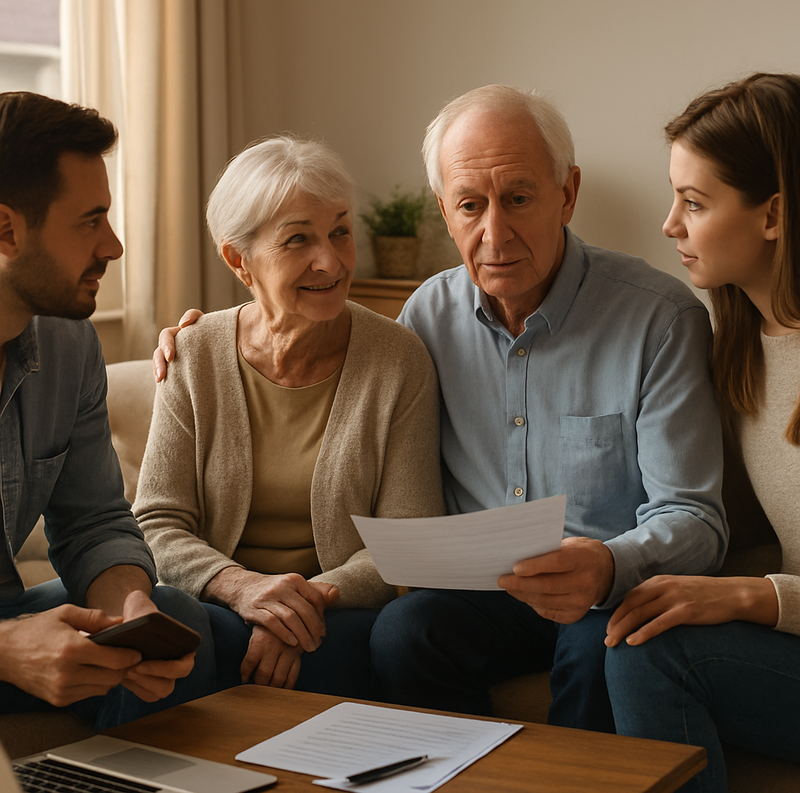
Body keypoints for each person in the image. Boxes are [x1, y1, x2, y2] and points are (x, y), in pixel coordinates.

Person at [156, 86, 727, 731]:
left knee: (603, 648)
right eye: (470, 205)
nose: (495, 233)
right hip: (481, 595)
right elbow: (316, 335)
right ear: (444, 213)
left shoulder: (660, 318)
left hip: (603, 588)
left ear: (566, 194)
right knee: (405, 631)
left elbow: (695, 516)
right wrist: (201, 336)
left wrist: (610, 565)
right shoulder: (427, 317)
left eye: (518, 198)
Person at [134, 136, 443, 698]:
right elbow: (155, 522)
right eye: (298, 239)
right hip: (216, 604)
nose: (330, 260)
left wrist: (298, 606)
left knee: (297, 654)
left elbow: (407, 541)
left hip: (335, 613)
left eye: (340, 232)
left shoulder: (398, 359)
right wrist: (241, 588)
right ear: (238, 259)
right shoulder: (194, 353)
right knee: (167, 621)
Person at [604, 72, 800, 791]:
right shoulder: (737, 349)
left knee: (656, 653)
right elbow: (744, 535)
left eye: (694, 202)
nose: (669, 225)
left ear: (773, 214)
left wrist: (752, 597)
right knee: (637, 626)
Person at [0, 91, 215, 730]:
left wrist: (133, 609)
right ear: (7, 229)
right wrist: (7, 652)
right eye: (90, 221)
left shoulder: (69, 344)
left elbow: (93, 521)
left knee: (174, 614)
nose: (115, 246)